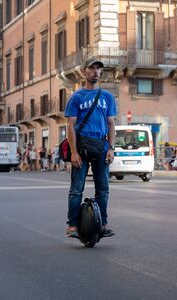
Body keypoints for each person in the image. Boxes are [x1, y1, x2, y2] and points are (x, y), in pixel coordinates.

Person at [65, 57, 116, 239]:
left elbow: (111, 124)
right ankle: (72, 225)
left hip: (102, 147)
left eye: (98, 69)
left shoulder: (108, 97)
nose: (95, 71)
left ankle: (102, 224)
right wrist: (74, 152)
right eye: (92, 68)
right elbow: (70, 125)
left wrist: (111, 148)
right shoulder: (77, 97)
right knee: (76, 189)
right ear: (84, 71)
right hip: (82, 147)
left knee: (103, 189)